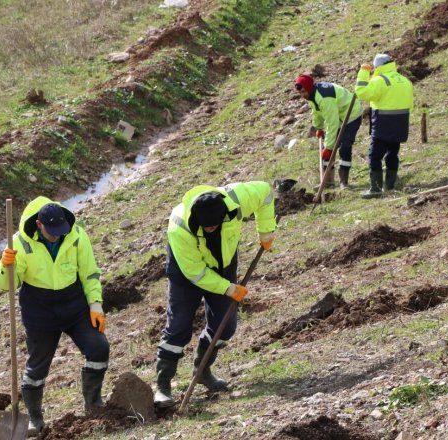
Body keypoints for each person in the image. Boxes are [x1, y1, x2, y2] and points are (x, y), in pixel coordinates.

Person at [154, 181, 277, 408]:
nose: (211, 228)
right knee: (178, 327)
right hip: (186, 273)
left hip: (223, 264)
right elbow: (196, 273)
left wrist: (266, 230)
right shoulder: (179, 225)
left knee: (225, 325)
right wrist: (229, 288)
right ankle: (163, 386)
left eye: (215, 225)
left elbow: (266, 193)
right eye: (206, 227)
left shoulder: (236, 200)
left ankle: (202, 370)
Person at [0, 197, 108, 435]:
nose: (57, 235)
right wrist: (6, 266)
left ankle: (93, 404)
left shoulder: (76, 235)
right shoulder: (19, 244)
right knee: (36, 369)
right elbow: (8, 284)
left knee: (99, 348)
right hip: (40, 312)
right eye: (52, 231)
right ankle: (35, 419)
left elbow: (89, 272)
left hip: (75, 306)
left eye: (61, 230)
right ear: (39, 225)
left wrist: (95, 304)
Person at [354, 53, 414, 198]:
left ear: (377, 67)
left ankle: (375, 189)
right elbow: (410, 104)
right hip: (401, 123)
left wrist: (363, 73)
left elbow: (361, 93)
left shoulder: (381, 80)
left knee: (374, 156)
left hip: (383, 123)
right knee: (392, 154)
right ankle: (390, 185)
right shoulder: (404, 80)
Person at [294, 74, 363, 189]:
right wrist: (319, 127)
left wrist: (329, 147)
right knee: (326, 149)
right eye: (300, 93)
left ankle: (343, 182)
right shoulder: (312, 95)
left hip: (351, 115)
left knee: (345, 147)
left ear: (309, 88)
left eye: (304, 92)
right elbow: (316, 111)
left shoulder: (324, 97)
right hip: (339, 117)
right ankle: (328, 181)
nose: (303, 95)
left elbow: (332, 123)